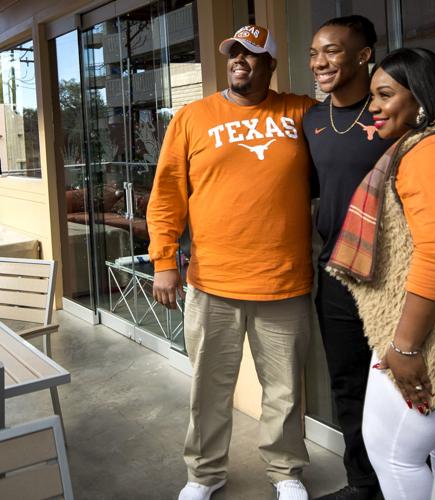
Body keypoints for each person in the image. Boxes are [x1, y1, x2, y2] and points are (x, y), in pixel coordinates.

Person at [302, 16, 435, 500]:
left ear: (363, 54)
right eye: (313, 53)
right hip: (344, 273)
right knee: (366, 395)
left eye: (331, 50)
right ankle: (361, 487)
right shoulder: (314, 120)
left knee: (398, 447)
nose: (319, 62)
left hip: (420, 303)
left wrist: (407, 346)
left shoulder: (434, 143)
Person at [149, 25, 316, 500]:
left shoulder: (300, 112)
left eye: (252, 53)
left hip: (284, 282)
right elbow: (165, 197)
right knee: (208, 390)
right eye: (234, 53)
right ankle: (204, 474)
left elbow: (355, 132)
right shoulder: (193, 117)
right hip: (212, 282)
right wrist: (164, 261)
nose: (239, 60)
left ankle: (286, 472)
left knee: (284, 391)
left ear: (271, 64)